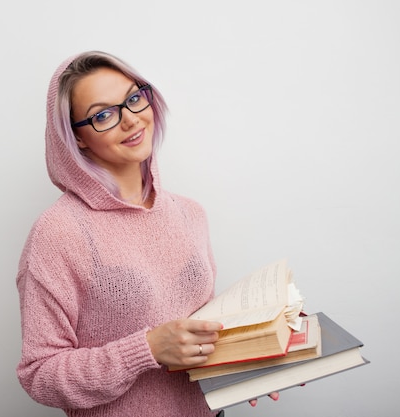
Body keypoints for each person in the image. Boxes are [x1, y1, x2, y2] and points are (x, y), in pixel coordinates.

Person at [16, 51, 278, 416]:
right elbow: (40, 374)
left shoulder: (190, 213)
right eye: (103, 114)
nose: (131, 120)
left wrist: (247, 363)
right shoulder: (59, 233)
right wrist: (147, 350)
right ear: (76, 139)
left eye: (134, 98)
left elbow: (198, 335)